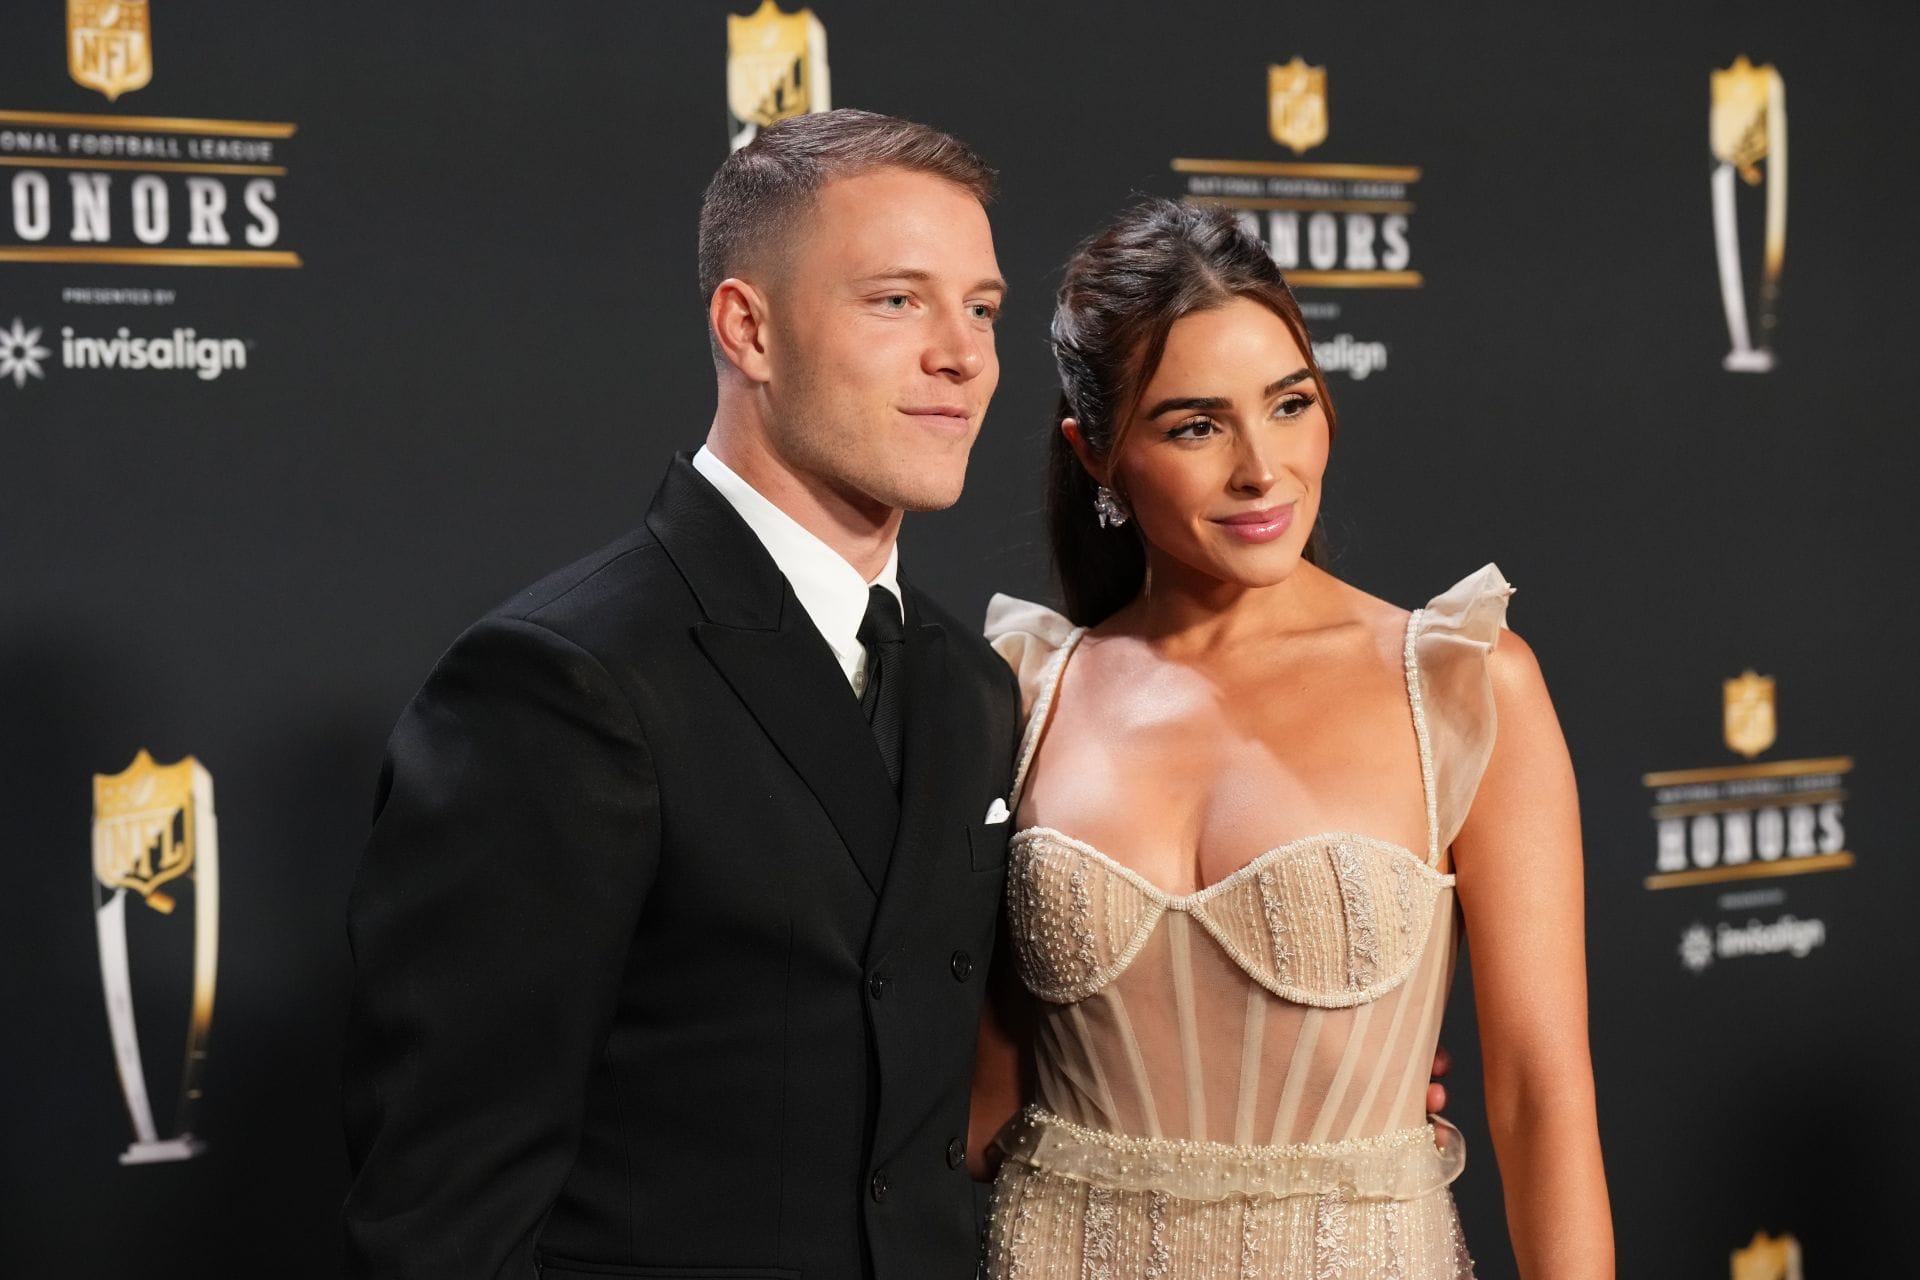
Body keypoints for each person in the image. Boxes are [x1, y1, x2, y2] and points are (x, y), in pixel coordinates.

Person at [341, 109, 1020, 1280]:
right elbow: (447, 1210)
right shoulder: (564, 679)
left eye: (983, 308)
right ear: (748, 328)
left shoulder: (971, 684)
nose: (960, 353)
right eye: (898, 300)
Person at [969, 200, 1613, 1277]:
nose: (1262, 470)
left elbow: (1541, 1095)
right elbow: (980, 1102)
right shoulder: (1024, 691)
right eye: (1195, 424)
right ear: (1097, 452)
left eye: (1289, 403)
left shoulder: (1460, 680)